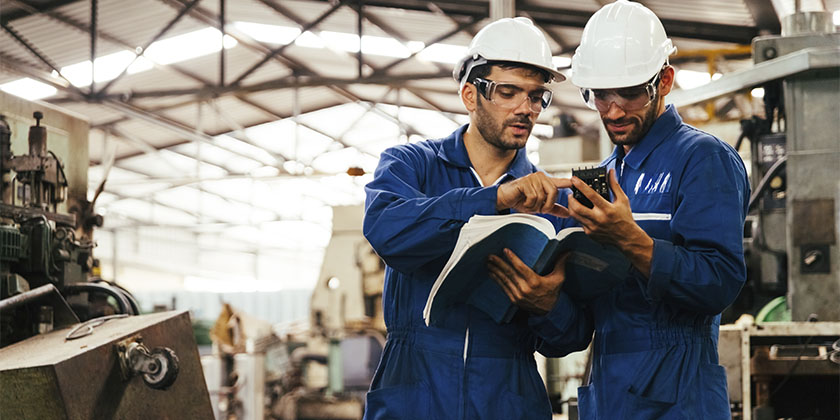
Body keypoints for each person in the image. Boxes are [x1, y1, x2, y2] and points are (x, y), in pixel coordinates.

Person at [488, 1, 750, 418]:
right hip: (608, 392)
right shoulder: (603, 177)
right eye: (599, 95)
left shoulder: (702, 159)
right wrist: (546, 300)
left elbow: (719, 283)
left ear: (663, 81)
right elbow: (578, 328)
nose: (612, 110)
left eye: (628, 93)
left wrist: (629, 239)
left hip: (678, 397)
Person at [362, 17, 575, 420]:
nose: (525, 109)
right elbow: (386, 230)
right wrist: (493, 199)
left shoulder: (552, 204)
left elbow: (570, 336)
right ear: (470, 95)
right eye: (508, 92)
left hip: (508, 394)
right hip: (414, 388)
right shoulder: (412, 165)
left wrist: (547, 305)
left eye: (535, 97)